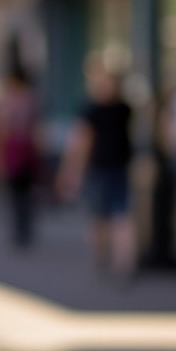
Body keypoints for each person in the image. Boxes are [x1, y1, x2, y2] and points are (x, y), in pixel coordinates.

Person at [60, 65, 135, 281]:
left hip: (106, 169)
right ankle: (117, 263)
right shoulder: (123, 108)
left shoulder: (96, 110)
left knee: (104, 218)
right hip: (111, 168)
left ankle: (109, 262)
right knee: (114, 217)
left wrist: (72, 172)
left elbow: (82, 142)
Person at [0, 66, 43, 247]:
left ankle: (19, 230)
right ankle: (25, 228)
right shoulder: (31, 100)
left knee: (15, 192)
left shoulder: (8, 101)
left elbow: (1, 129)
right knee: (26, 192)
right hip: (28, 150)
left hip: (14, 150)